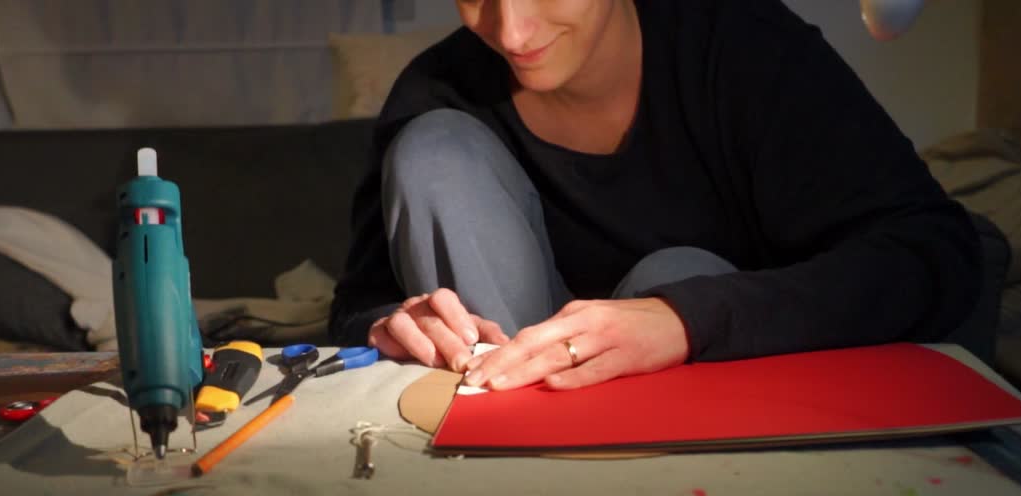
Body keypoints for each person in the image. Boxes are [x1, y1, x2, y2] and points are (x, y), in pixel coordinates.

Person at [328, 0, 980, 392]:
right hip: (514, 411)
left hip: (717, 406)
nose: (513, 32)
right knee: (433, 150)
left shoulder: (741, 46)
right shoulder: (436, 89)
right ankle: (522, 439)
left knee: (679, 271)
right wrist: (393, 326)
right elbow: (356, 309)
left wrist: (685, 320)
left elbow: (937, 251)